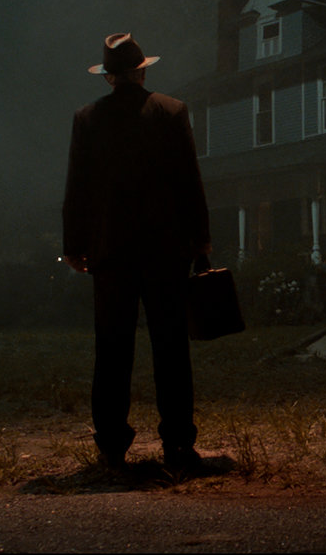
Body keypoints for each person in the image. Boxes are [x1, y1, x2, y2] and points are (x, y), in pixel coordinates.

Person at [62, 32, 211, 472]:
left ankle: (112, 447)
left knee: (111, 350)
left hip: (111, 251)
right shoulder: (171, 111)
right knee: (171, 348)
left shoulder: (88, 118)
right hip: (166, 248)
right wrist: (200, 237)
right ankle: (178, 444)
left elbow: (78, 188)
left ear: (109, 77)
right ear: (142, 71)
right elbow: (189, 180)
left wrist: (75, 245)